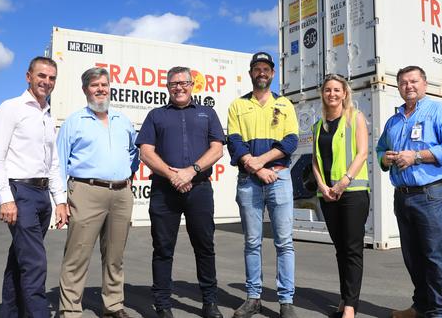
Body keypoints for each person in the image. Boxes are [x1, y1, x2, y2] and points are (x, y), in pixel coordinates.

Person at [136, 66, 225, 318]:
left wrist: (191, 171)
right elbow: (146, 152)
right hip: (164, 190)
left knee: (205, 246)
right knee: (163, 249)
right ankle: (163, 305)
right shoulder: (156, 115)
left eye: (184, 82)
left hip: (199, 190)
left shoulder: (207, 113)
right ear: (167, 87)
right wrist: (174, 175)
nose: (179, 87)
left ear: (192, 84)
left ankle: (210, 303)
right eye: (174, 84)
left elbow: (217, 149)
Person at [376, 66, 442, 318]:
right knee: (412, 257)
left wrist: (416, 156)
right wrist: (387, 159)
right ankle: (421, 306)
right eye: (403, 82)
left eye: (413, 81)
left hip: (430, 195)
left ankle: (440, 313)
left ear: (424, 84)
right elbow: (381, 149)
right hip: (402, 195)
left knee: (436, 257)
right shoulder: (394, 120)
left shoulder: (440, 111)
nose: (408, 86)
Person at [0, 56, 69, 318]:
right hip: (20, 193)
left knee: (20, 259)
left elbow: (53, 162)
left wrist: (59, 199)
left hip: (42, 195)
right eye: (41, 76)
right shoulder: (10, 108)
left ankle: (11, 313)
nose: (47, 81)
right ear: (28, 76)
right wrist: (6, 198)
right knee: (35, 263)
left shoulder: (47, 113)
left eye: (52, 77)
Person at [56, 67, 139, 318]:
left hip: (121, 193)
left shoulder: (122, 120)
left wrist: (125, 176)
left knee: (115, 254)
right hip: (85, 191)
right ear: (85, 90)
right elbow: (58, 162)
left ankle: (113, 305)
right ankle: (70, 309)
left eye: (104, 84)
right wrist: (61, 200)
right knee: (77, 254)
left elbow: (133, 155)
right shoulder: (74, 121)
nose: (101, 89)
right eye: (95, 85)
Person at [227, 52, 299, 318]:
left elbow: (291, 141)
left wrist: (262, 163)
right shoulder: (237, 105)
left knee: (284, 242)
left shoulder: (285, 104)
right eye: (256, 68)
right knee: (252, 242)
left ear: (272, 73)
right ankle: (253, 297)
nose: (261, 72)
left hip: (278, 179)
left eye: (266, 68)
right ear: (250, 74)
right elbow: (234, 141)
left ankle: (286, 301)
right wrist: (256, 168)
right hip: (249, 181)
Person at [310, 75, 369, 318]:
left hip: (352, 193)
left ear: (344, 93)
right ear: (323, 94)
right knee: (340, 250)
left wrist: (343, 182)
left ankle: (351, 305)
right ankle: (345, 296)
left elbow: (362, 153)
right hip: (328, 195)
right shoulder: (317, 126)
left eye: (337, 90)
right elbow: (314, 160)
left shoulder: (355, 118)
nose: (332, 94)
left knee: (353, 249)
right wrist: (323, 187)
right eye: (327, 90)